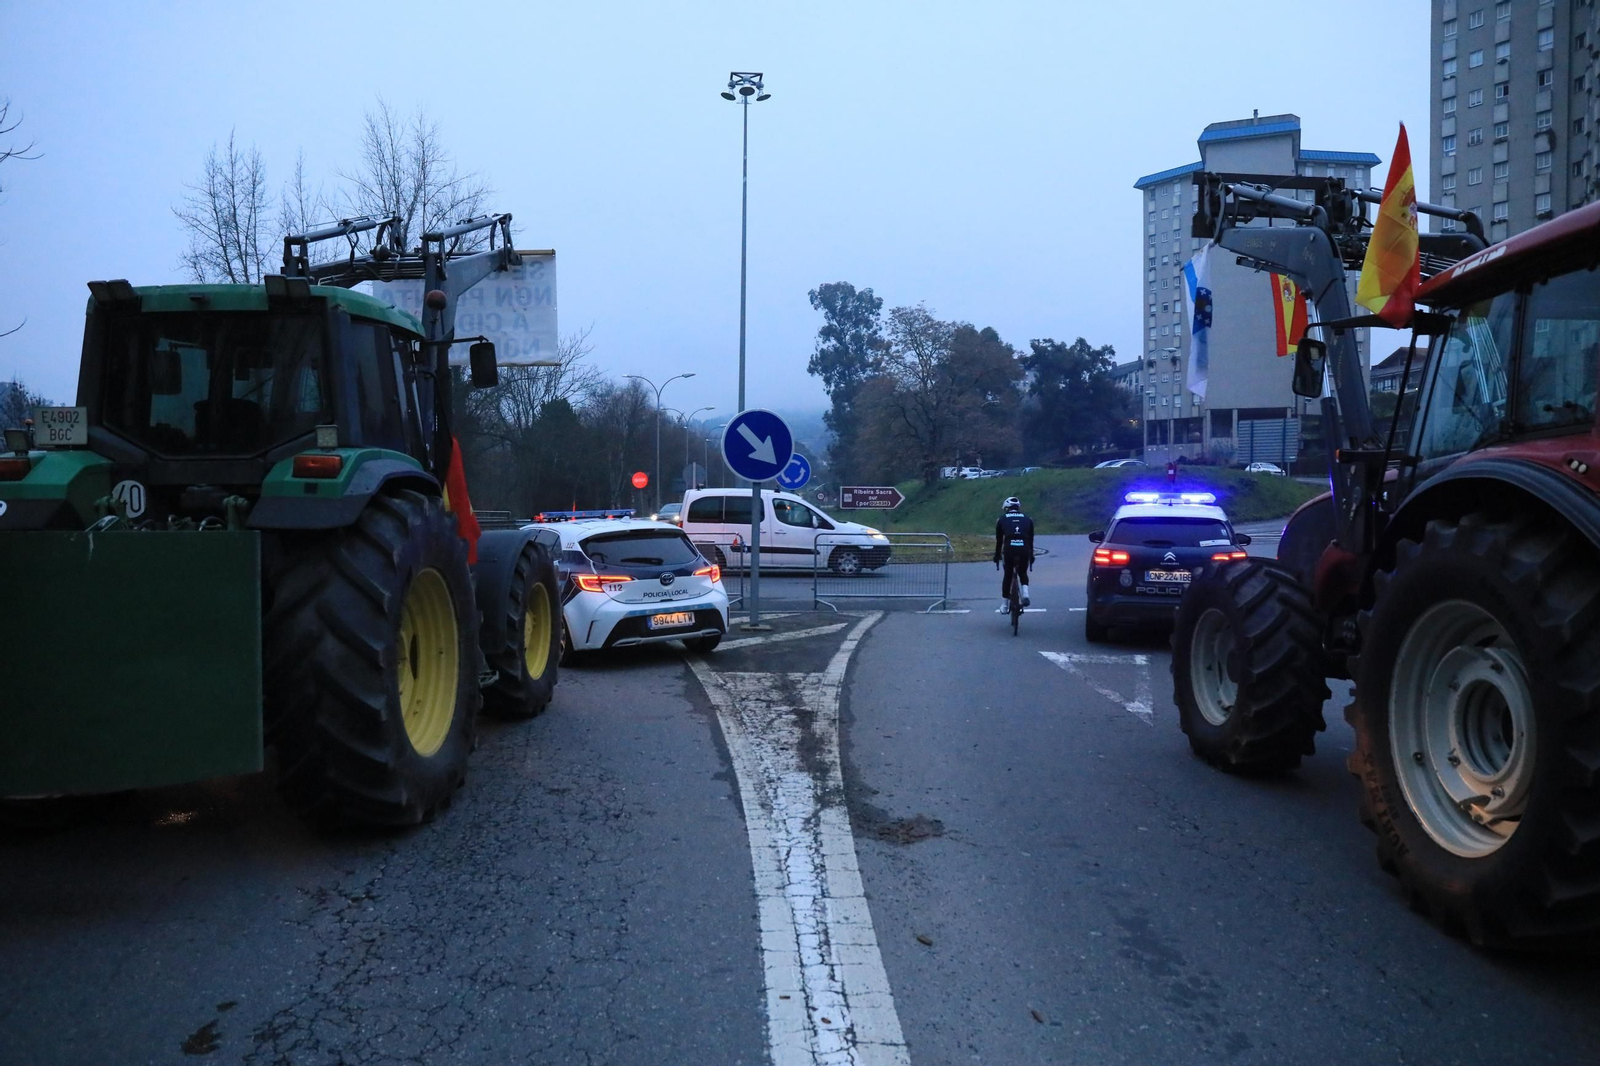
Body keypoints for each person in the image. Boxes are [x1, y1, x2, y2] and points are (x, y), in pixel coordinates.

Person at [993, 496, 1035, 609]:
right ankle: (1025, 593)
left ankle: (1004, 604)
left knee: (1008, 574)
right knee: (1022, 572)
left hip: (1009, 549)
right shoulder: (1028, 519)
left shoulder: (1002, 519)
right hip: (1024, 549)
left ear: (1006, 508)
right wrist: (1031, 556)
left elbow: (999, 541)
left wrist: (996, 556)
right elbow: (1031, 540)